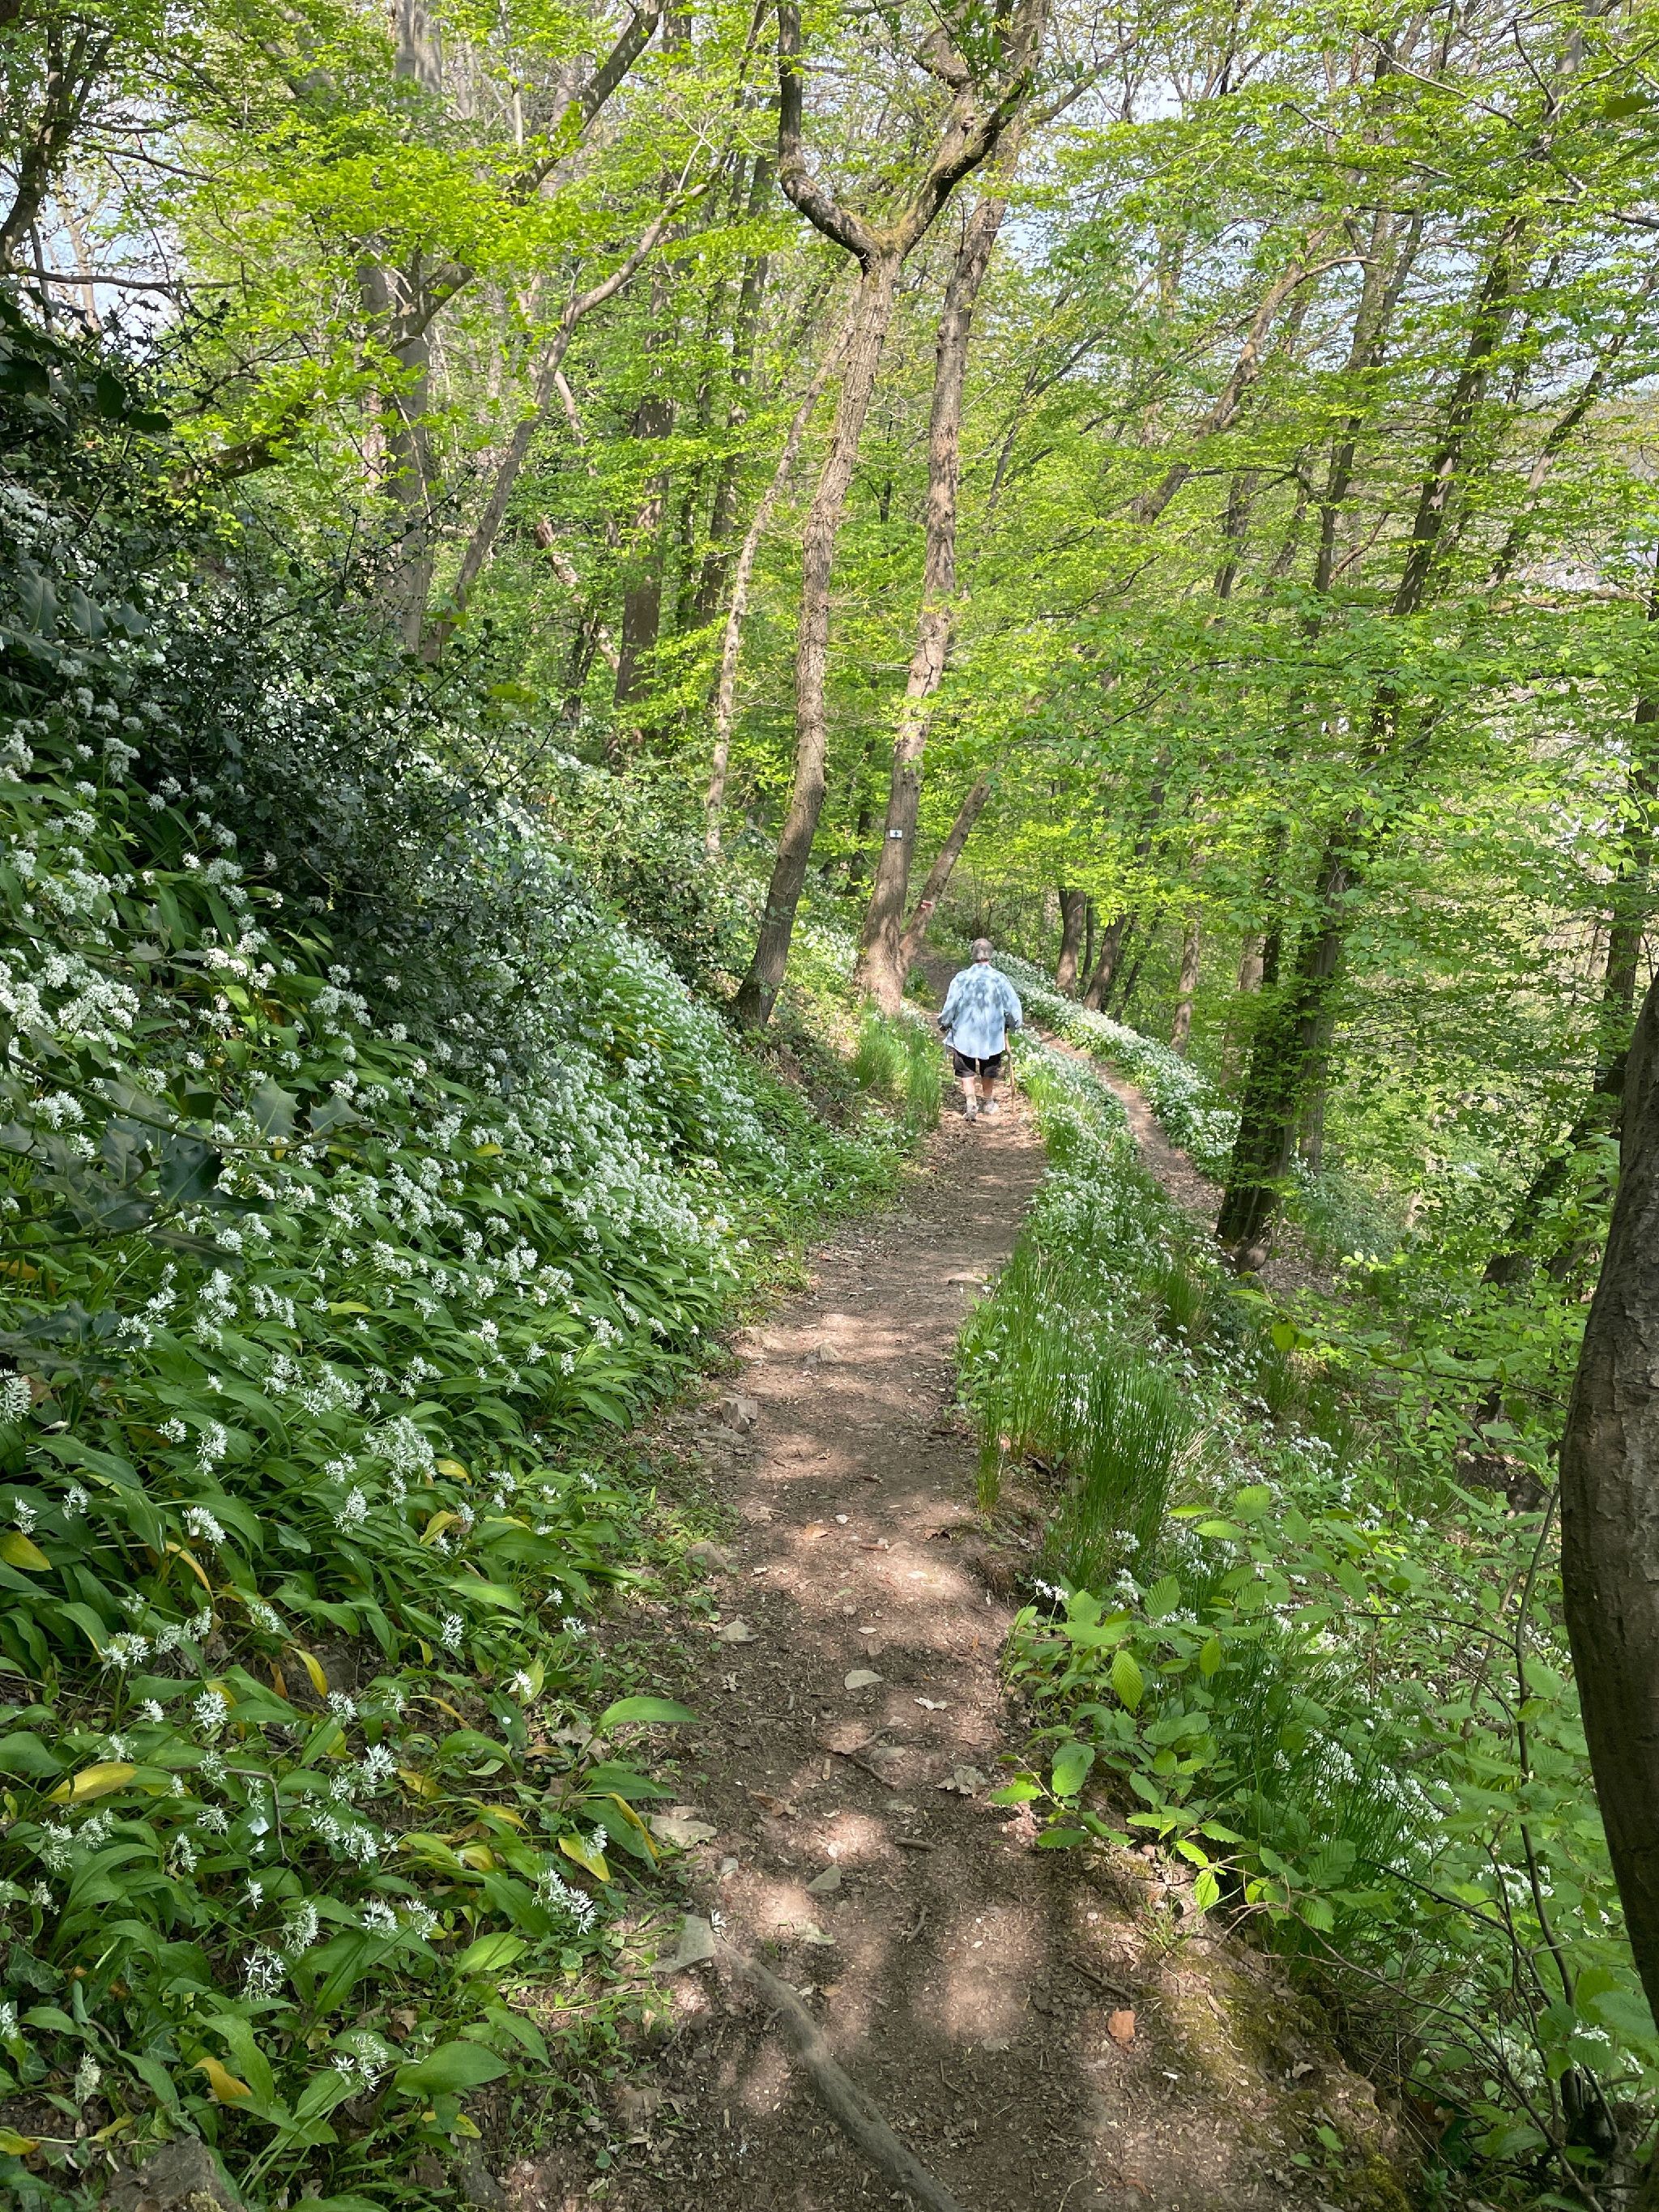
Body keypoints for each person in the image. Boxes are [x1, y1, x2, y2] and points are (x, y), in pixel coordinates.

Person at [938, 939, 1023, 1123]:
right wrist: (1013, 1024)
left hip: (964, 1034)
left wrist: (945, 1022)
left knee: (966, 1068)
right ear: (991, 955)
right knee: (989, 1067)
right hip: (992, 1035)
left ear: (972, 955)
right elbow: (1013, 1008)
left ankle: (971, 1103)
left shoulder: (961, 978)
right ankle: (988, 1102)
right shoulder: (1000, 979)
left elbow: (950, 1006)